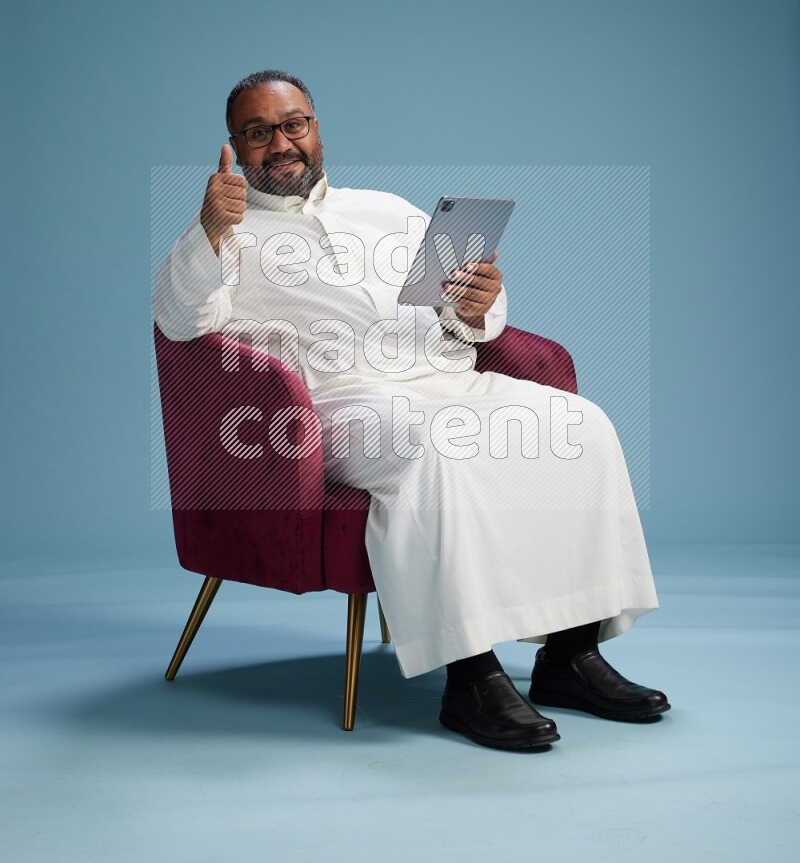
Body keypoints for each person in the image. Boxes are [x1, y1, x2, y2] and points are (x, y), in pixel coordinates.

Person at [153, 69, 670, 751]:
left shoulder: (389, 209)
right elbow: (181, 321)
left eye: (293, 125)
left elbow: (468, 318)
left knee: (582, 426)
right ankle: (471, 676)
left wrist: (476, 308)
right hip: (333, 409)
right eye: (258, 132)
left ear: (316, 129)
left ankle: (571, 655)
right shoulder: (223, 235)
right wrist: (210, 230)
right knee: (439, 446)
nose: (280, 143)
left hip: (445, 376)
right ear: (235, 146)